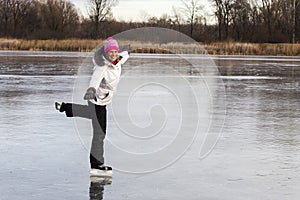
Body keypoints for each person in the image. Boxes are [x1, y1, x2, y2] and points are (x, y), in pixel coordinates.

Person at [55, 37, 129, 173]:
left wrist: (126, 51)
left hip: (103, 100)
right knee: (100, 133)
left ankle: (65, 107)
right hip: (97, 100)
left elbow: (123, 56)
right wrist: (91, 89)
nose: (113, 54)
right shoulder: (102, 67)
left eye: (115, 51)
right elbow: (95, 79)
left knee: (91, 115)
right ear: (105, 53)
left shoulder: (117, 60)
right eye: (110, 52)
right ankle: (97, 164)